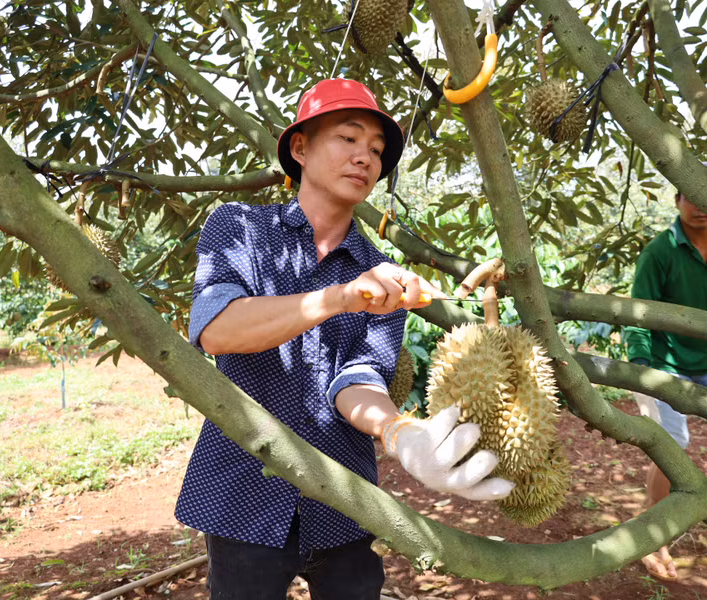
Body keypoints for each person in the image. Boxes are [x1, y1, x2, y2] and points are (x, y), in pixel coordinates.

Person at [174, 78, 513, 600]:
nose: (366, 158)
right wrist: (339, 298)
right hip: (243, 491)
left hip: (346, 499)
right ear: (301, 147)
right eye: (349, 139)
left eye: (376, 150)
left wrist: (401, 434)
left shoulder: (382, 273)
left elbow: (358, 376)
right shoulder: (238, 226)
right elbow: (218, 329)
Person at [623, 161, 707, 581]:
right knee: (670, 443)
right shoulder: (660, 251)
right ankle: (654, 532)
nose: (700, 205)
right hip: (663, 361)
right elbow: (637, 312)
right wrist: (642, 367)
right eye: (690, 195)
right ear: (677, 199)